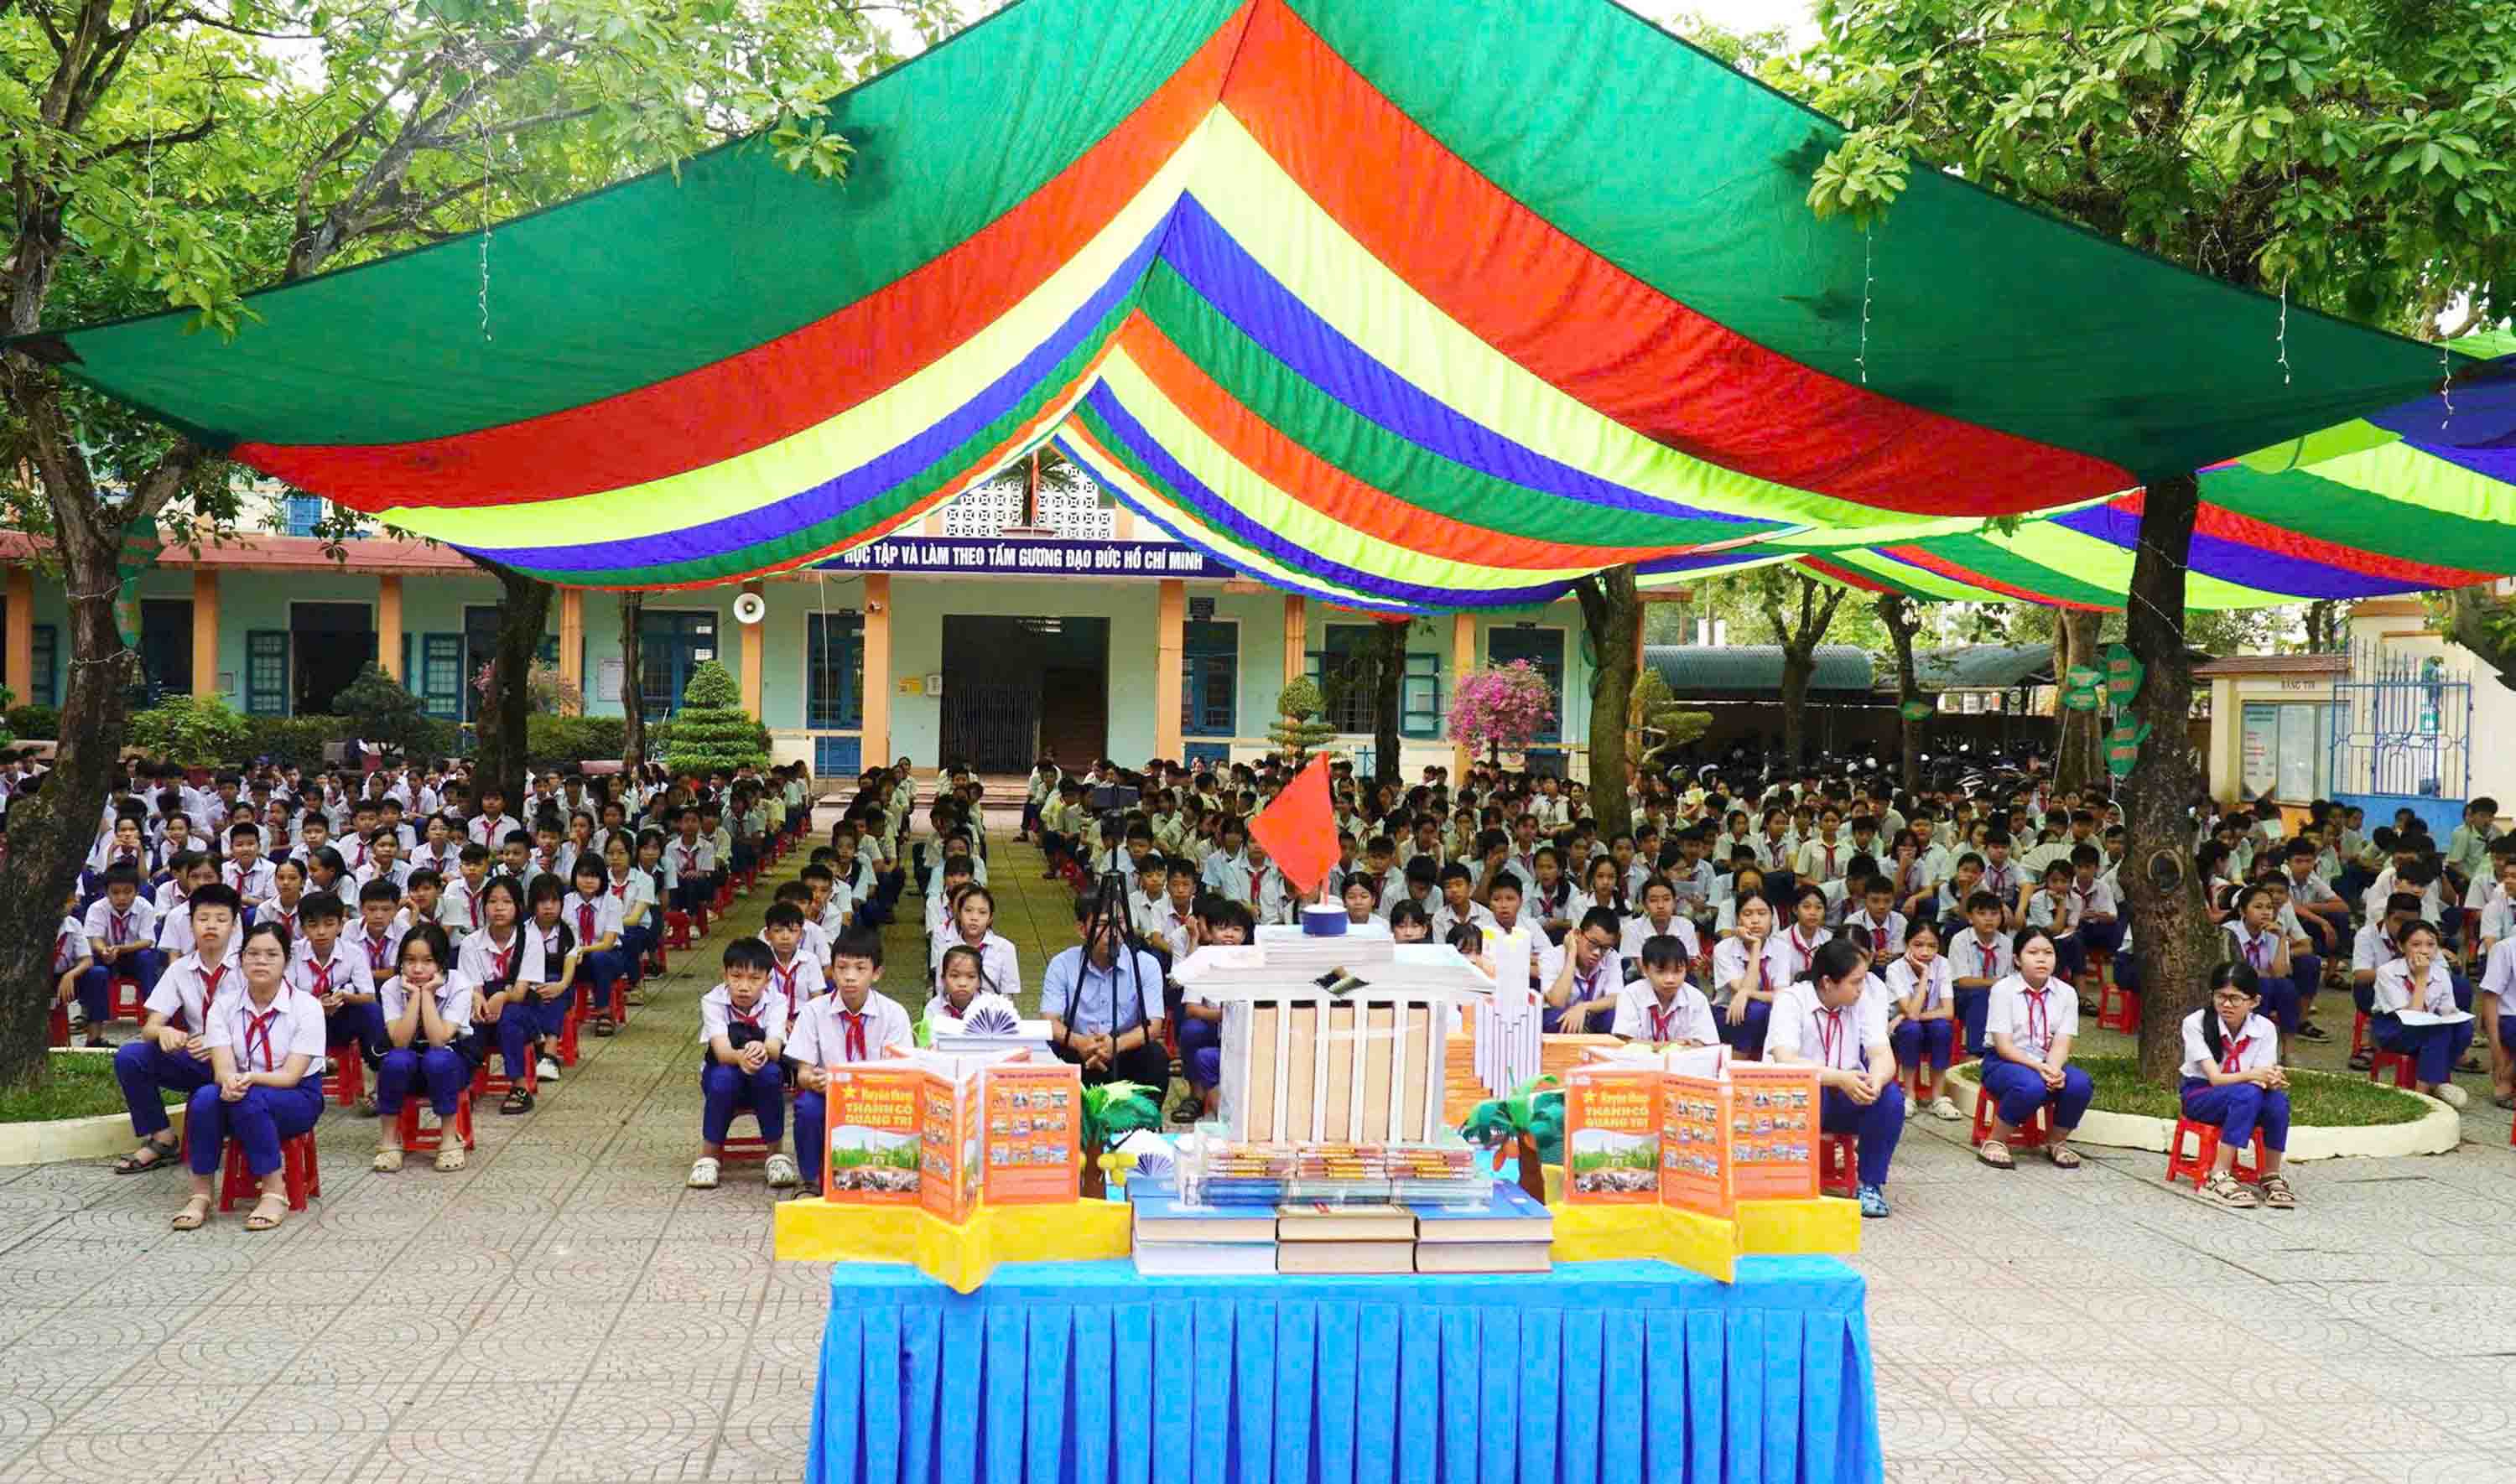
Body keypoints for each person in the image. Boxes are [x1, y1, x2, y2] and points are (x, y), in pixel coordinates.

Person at [169, 920, 325, 1232]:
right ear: (240, 960)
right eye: (252, 954)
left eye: (271, 954)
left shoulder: (306, 1007)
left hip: (297, 1097)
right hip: (240, 1090)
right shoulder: (224, 1006)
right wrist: (230, 1081)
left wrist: (246, 1080)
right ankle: (200, 1193)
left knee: (249, 1100)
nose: (261, 961)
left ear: (286, 961)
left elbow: (291, 1076)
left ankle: (274, 1192)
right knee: (204, 1098)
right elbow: (222, 1068)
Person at [110, 884, 246, 1175]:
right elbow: (150, 1027)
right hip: (197, 1059)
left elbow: (265, 1027)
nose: (211, 926)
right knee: (130, 1057)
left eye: (221, 919)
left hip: (242, 1063)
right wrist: (164, 1032)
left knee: (213, 1092)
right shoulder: (180, 969)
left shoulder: (248, 967)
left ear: (234, 926)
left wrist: (217, 1043)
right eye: (203, 918)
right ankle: (162, 1138)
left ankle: (230, 1133)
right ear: (190, 923)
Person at [1767, 937, 1904, 1217]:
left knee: (1890, 1097)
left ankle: (1870, 1185)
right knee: (1810, 1087)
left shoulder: (1861, 1001)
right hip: (1795, 1102)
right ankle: (1794, 1182)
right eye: (1855, 982)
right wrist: (1839, 1078)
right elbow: (1786, 1060)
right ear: (1828, 982)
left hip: (1845, 1094)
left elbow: (1882, 1053)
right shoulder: (1791, 1000)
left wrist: (1876, 1081)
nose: (1861, 988)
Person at [787, 931, 913, 1195]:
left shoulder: (894, 1014)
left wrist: (858, 1086)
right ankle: (811, 1181)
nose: (850, 977)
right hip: (828, 1093)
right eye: (842, 968)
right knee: (807, 1107)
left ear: (876, 973)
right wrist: (814, 1080)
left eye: (860, 968)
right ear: (832, 971)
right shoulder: (813, 1011)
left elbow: (900, 1074)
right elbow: (803, 1073)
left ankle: (889, 1179)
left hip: (878, 1097)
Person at [2178, 963, 2296, 1209]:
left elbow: (2261, 1078)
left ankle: (2271, 1174)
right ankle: (2218, 1175)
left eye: (2235, 998)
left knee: (2278, 1101)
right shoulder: (2195, 1023)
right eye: (2220, 996)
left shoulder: (2264, 1028)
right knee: (2247, 1094)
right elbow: (2215, 1079)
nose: (2226, 1004)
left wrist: (2271, 1079)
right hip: (2201, 1095)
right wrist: (2255, 1076)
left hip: (2246, 1093)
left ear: (2254, 1001)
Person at [1976, 926, 2093, 1170]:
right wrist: (2039, 1068)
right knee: (2031, 1086)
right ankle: (1995, 1141)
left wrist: (2053, 1069)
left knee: (2080, 1083)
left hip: (2046, 1060)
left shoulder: (2067, 993)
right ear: (2018, 959)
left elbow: (2062, 1042)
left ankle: (2056, 1141)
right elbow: (2004, 1046)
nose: (2042, 959)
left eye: (2048, 953)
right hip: (2004, 1062)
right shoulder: (2003, 990)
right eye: (2033, 953)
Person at [689, 937, 798, 1191]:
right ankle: (708, 1157)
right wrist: (741, 1057)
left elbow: (774, 1047)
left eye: (754, 979)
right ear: (725, 975)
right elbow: (722, 1051)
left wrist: (761, 1049)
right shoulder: (712, 1000)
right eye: (736, 977)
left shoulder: (777, 1001)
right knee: (723, 1078)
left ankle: (776, 1156)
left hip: (762, 1068)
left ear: (768, 980)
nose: (744, 987)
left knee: (770, 1074)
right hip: (723, 1069)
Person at [372, 924, 476, 1173]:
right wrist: (414, 997)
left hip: (449, 1065)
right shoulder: (391, 987)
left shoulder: (459, 984)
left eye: (428, 961)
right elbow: (399, 1041)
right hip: (407, 1065)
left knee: (437, 1059)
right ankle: (389, 1140)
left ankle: (449, 1138)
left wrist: (427, 993)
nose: (417, 969)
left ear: (441, 963)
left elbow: (439, 1039)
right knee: (396, 1060)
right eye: (410, 960)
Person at [1041, 892, 1169, 1087]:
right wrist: (1079, 1042)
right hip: (1078, 1049)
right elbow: (1049, 1021)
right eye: (1102, 924)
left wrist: (1115, 1045)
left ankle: (1140, 1108)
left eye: (1120, 922)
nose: (1113, 932)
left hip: (1125, 1050)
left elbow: (1153, 1025)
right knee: (1045, 1048)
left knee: (1155, 1056)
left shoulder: (1145, 964)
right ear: (1082, 929)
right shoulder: (1062, 964)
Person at [2368, 920, 2474, 1107]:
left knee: (2464, 1028)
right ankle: (2424, 1094)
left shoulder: (2441, 972)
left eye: (2431, 945)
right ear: (2401, 946)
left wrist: (2452, 1014)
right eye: (2416, 945)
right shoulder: (2387, 972)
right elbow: (2412, 1016)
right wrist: (2422, 977)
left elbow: (2447, 1008)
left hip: (2427, 1027)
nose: (2424, 951)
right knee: (2437, 1033)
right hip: (2393, 1028)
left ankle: (2433, 1084)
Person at [1886, 919, 1962, 1121]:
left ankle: (1938, 1097)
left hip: (1930, 1025)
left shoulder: (1943, 964)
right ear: (1907, 944)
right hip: (1903, 1033)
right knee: (1911, 1029)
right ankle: (1909, 1095)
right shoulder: (1895, 969)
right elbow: (1912, 1015)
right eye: (1918, 945)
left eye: (1932, 946)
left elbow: (1948, 1011)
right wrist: (1924, 976)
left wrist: (1904, 1015)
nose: (1926, 952)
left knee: (1942, 1028)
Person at [560, 856, 631, 1033]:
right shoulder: (565, 901)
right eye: (584, 875)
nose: (589, 880)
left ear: (602, 879)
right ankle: (562, 1013)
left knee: (599, 958)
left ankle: (603, 1012)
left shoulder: (612, 902)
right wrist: (573, 954)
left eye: (594, 876)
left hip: (609, 958)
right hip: (575, 959)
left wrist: (581, 950)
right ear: (575, 876)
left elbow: (607, 943)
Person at [1610, 933, 1717, 1046]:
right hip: (1639, 1056)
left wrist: (1690, 1044)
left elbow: (1707, 1043)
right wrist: (1663, 1047)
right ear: (1645, 970)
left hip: (1683, 1056)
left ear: (1686, 969)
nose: (1670, 979)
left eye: (1678, 971)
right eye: (1661, 972)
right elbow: (1623, 1040)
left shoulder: (1697, 998)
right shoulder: (1630, 994)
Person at [1711, 889, 1780, 1057]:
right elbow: (1740, 990)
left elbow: (1781, 996)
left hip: (1767, 1013)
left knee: (1769, 1011)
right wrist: (1756, 946)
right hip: (1728, 1014)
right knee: (1757, 1009)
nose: (1755, 920)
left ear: (1772, 918)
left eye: (1762, 914)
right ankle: (1736, 1064)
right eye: (1748, 914)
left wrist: (1747, 993)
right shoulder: (1723, 949)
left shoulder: (1782, 948)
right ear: (1738, 919)